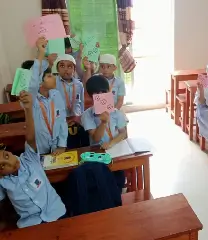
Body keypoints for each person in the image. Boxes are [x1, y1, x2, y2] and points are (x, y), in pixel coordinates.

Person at [0, 91, 66, 228]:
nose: (11, 163)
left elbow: (30, 138)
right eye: (2, 166)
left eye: (6, 156)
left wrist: (28, 109)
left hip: (56, 214)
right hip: (30, 224)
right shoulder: (2, 183)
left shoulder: (29, 159)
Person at [81, 75, 127, 191]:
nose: (101, 96)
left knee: (119, 181)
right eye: (97, 94)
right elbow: (96, 138)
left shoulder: (117, 113)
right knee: (102, 182)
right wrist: (103, 123)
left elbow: (123, 133)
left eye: (104, 92)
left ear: (109, 92)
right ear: (91, 97)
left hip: (116, 151)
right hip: (98, 153)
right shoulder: (87, 115)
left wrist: (111, 143)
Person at [28, 37, 68, 155]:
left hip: (56, 148)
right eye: (49, 76)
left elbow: (62, 120)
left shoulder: (56, 94)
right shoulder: (32, 100)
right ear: (40, 82)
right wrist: (41, 53)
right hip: (38, 150)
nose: (54, 77)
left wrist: (62, 145)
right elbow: (33, 80)